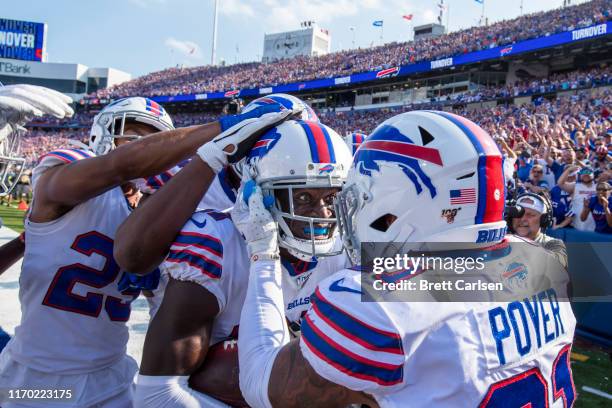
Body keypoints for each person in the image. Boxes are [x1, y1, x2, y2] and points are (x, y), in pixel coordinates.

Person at [233, 111, 576, 407]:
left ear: (403, 200)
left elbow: (261, 384)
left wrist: (263, 253)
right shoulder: (545, 263)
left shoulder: (377, 303)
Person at [0, 94, 292, 408]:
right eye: (133, 135)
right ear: (101, 134)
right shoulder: (71, 165)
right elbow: (122, 164)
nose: (145, 145)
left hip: (111, 379)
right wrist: (224, 130)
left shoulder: (154, 210)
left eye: (156, 138)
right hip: (34, 377)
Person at [121, 119, 352, 407]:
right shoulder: (215, 244)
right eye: (303, 196)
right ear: (260, 196)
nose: (321, 214)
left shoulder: (349, 245)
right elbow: (155, 396)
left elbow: (421, 297)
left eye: (331, 196)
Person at [509, 192, 568, 268]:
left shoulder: (554, 244)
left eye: (530, 215)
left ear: (543, 220)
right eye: (518, 214)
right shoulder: (502, 243)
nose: (522, 219)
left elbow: (556, 265)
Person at [558, 165, 596, 231]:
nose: (585, 175)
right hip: (577, 224)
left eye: (588, 173)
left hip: (594, 225)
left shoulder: (598, 186)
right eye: (583, 173)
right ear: (580, 175)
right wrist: (568, 170)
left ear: (593, 175)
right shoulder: (575, 186)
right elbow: (560, 183)